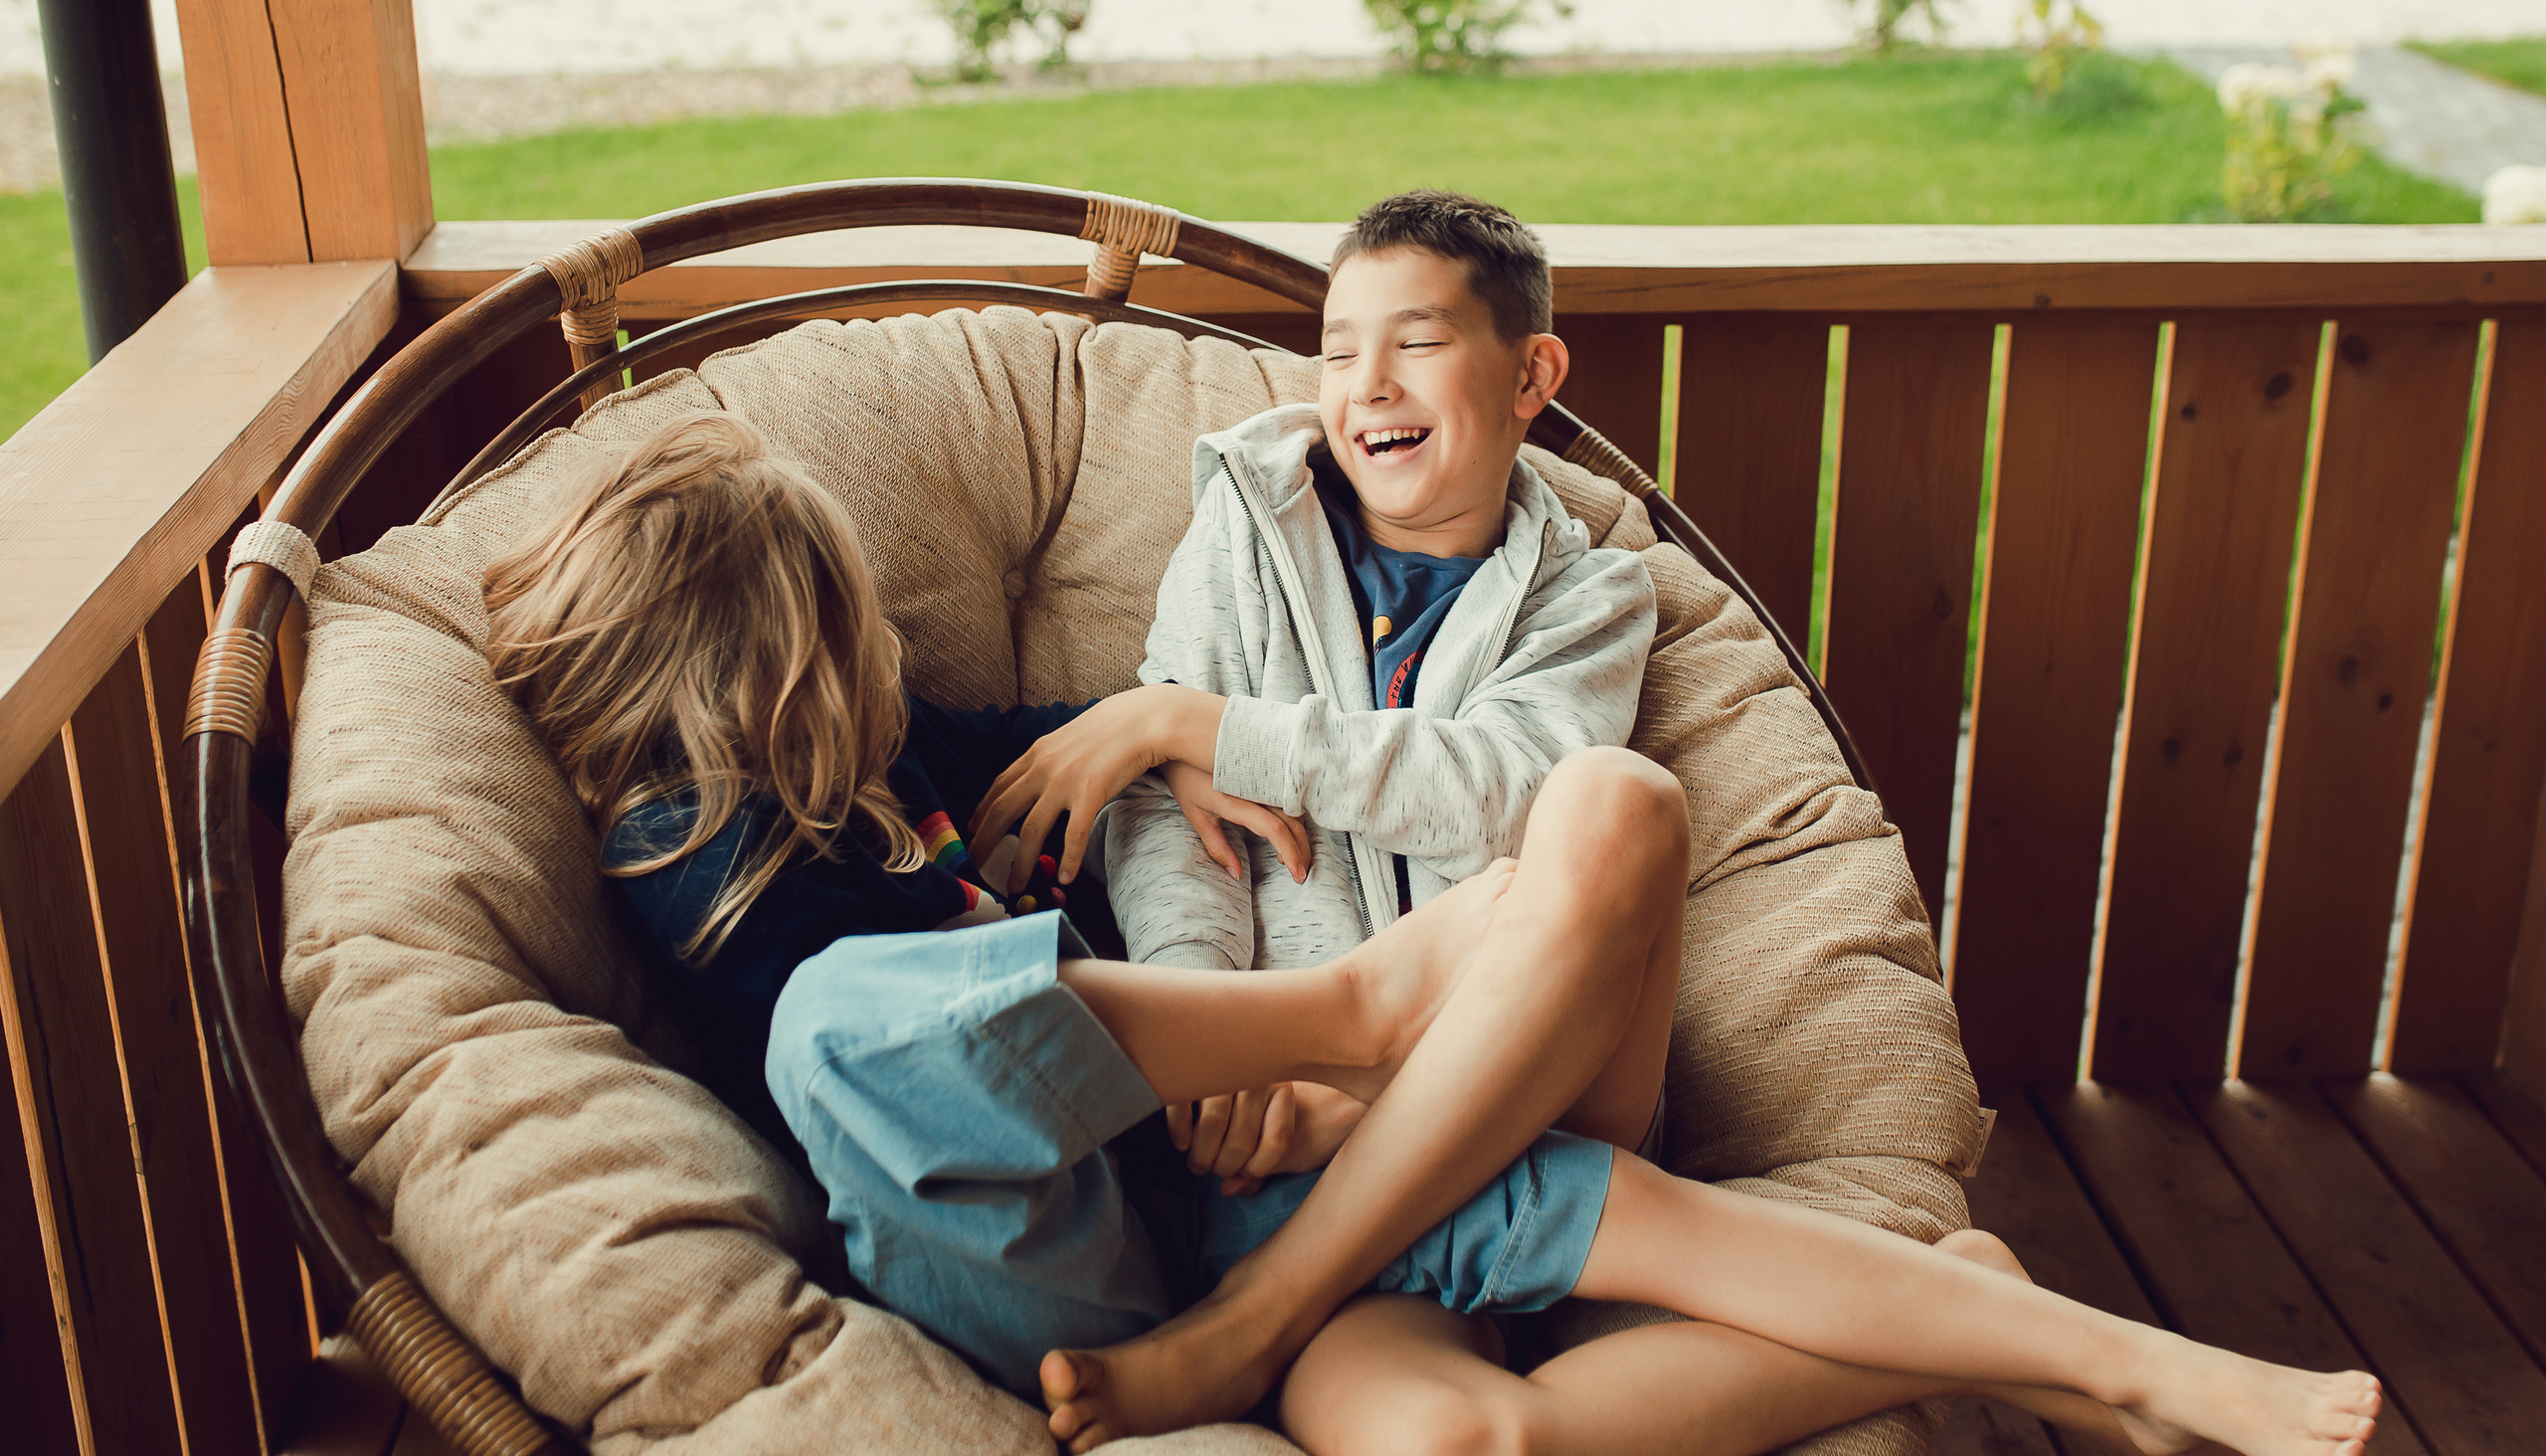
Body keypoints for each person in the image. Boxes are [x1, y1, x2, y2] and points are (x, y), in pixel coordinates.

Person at [485, 406, 2380, 1456]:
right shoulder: (708, 870)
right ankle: (1368, 1006)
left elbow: (1062, 763)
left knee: (1604, 847)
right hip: (1058, 1254)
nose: (894, 670)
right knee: (856, 1023)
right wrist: (1300, 1019)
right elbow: (896, 1057)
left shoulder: (883, 754)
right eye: (854, 647)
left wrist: (1161, 733)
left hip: (1256, 1198)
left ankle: (2101, 1354)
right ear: (766, 678)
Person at [970, 192, 2382, 1456]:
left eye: (1416, 343)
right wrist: (1221, 1023)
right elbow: (1176, 831)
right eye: (1341, 348)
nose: (1367, 386)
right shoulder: (1244, 528)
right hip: (1298, 1121)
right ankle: (1970, 1314)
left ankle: (1269, 1308)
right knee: (1449, 1440)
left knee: (1613, 797)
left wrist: (1198, 720)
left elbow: (1495, 787)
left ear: (1533, 376)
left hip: (1536, 1076)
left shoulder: (1591, 595)